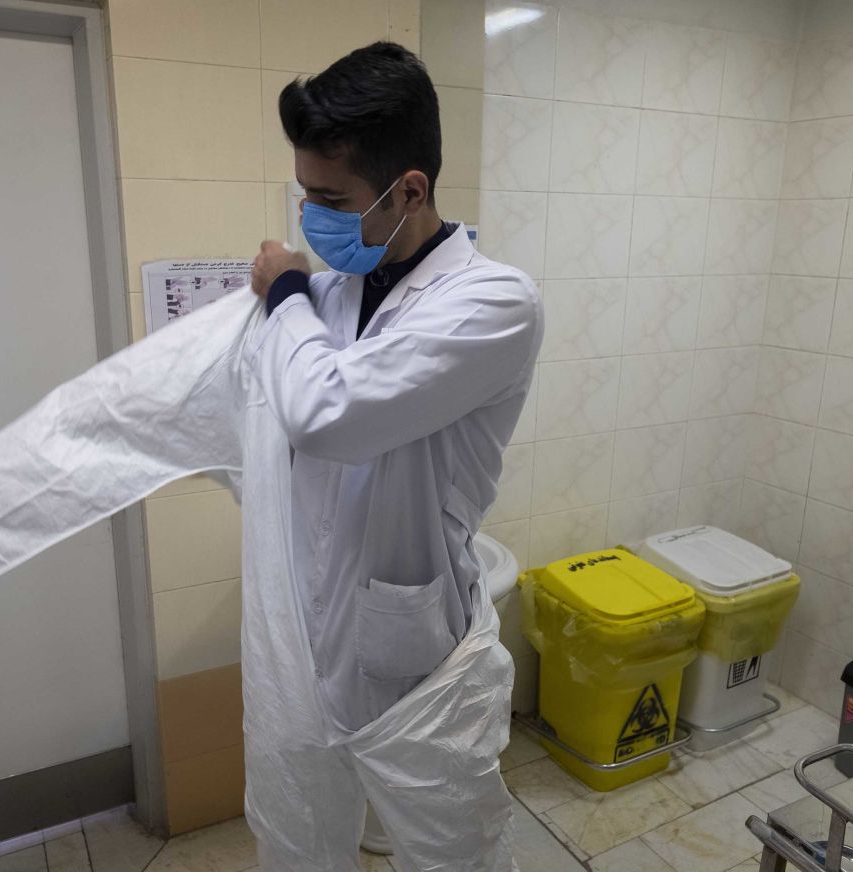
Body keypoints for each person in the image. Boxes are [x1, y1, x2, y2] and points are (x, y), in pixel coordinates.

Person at [247, 41, 543, 869]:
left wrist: (281, 293)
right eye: (304, 195)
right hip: (306, 631)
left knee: (449, 850)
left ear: (408, 188)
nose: (310, 217)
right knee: (305, 830)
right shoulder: (334, 292)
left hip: (415, 656)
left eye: (329, 198)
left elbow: (324, 413)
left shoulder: (493, 302)